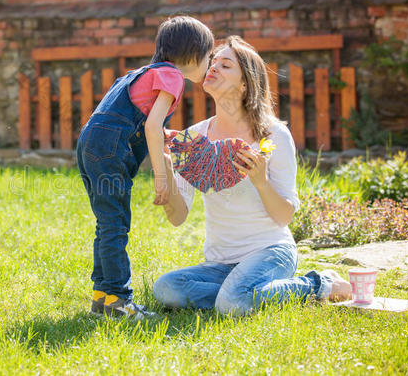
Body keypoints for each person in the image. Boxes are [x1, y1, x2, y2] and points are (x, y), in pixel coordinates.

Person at [153, 36, 351, 317]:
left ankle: (318, 284)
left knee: (232, 304)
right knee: (166, 290)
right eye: (213, 62)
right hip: (221, 263)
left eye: (225, 65)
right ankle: (243, 293)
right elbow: (177, 217)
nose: (213, 68)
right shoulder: (193, 138)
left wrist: (261, 181)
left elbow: (284, 216)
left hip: (270, 252)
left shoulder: (273, 136)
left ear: (245, 84)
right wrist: (166, 163)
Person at [77, 16, 214, 319]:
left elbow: (137, 120)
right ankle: (118, 301)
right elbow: (152, 126)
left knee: (108, 222)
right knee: (116, 225)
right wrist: (161, 178)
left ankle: (102, 297)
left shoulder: (143, 73)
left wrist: (164, 134)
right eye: (209, 55)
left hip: (92, 143)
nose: (210, 63)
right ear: (194, 54)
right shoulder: (173, 77)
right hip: (111, 149)